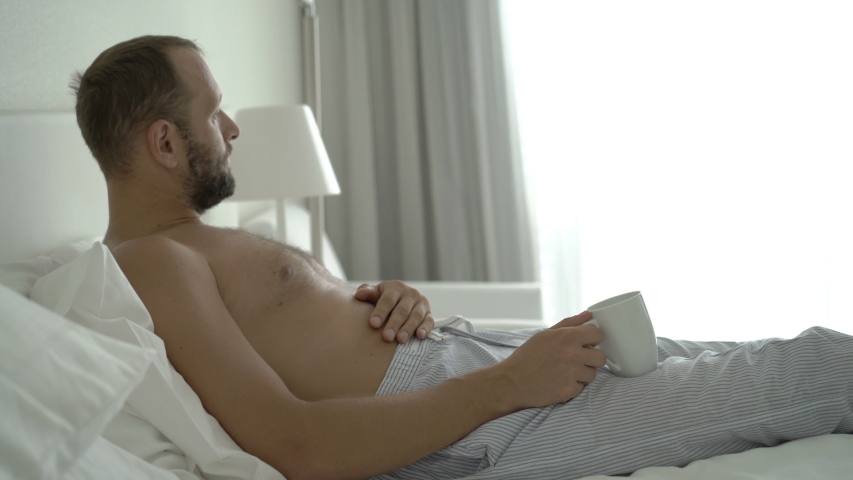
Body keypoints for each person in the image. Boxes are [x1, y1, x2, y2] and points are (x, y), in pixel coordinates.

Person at [71, 35, 853, 480]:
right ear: (166, 142)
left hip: (464, 361)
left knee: (757, 355)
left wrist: (382, 298)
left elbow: (299, 338)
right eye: (214, 113)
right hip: (471, 411)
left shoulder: (188, 247)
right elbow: (292, 443)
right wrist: (507, 383)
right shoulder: (151, 264)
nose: (232, 129)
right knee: (808, 373)